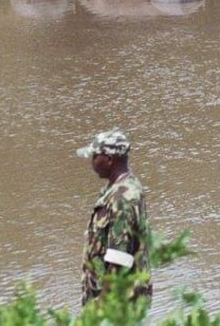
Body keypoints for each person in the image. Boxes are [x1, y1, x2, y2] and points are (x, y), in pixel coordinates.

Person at [77, 129, 153, 306]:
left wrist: (102, 306)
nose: (92, 162)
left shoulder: (123, 198)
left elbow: (119, 258)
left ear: (109, 160)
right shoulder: (120, 187)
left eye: (95, 157)